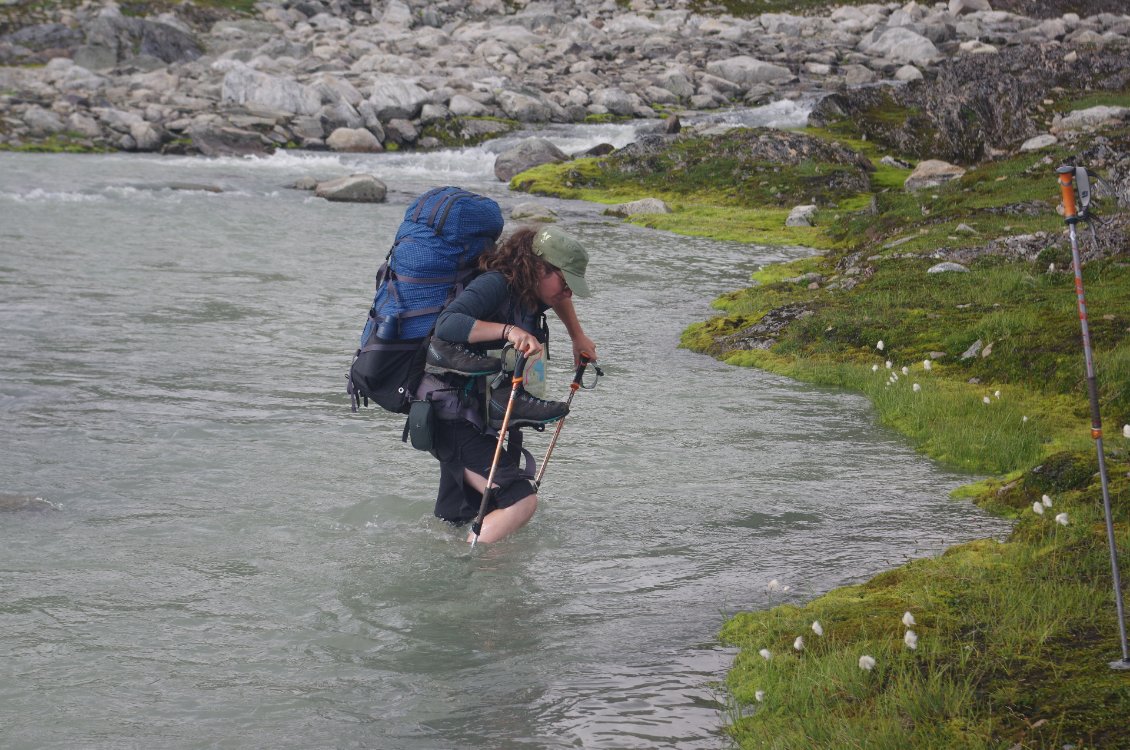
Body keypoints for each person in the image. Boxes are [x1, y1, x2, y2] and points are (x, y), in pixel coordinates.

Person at [417, 225, 597, 544]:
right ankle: (466, 568)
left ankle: (472, 580)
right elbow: (446, 325)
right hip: (454, 415)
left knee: (459, 518)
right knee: (520, 501)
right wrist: (509, 332)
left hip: (482, 415)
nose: (568, 293)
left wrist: (577, 335)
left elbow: (557, 298)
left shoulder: (532, 292)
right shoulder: (496, 285)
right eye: (566, 283)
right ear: (539, 267)